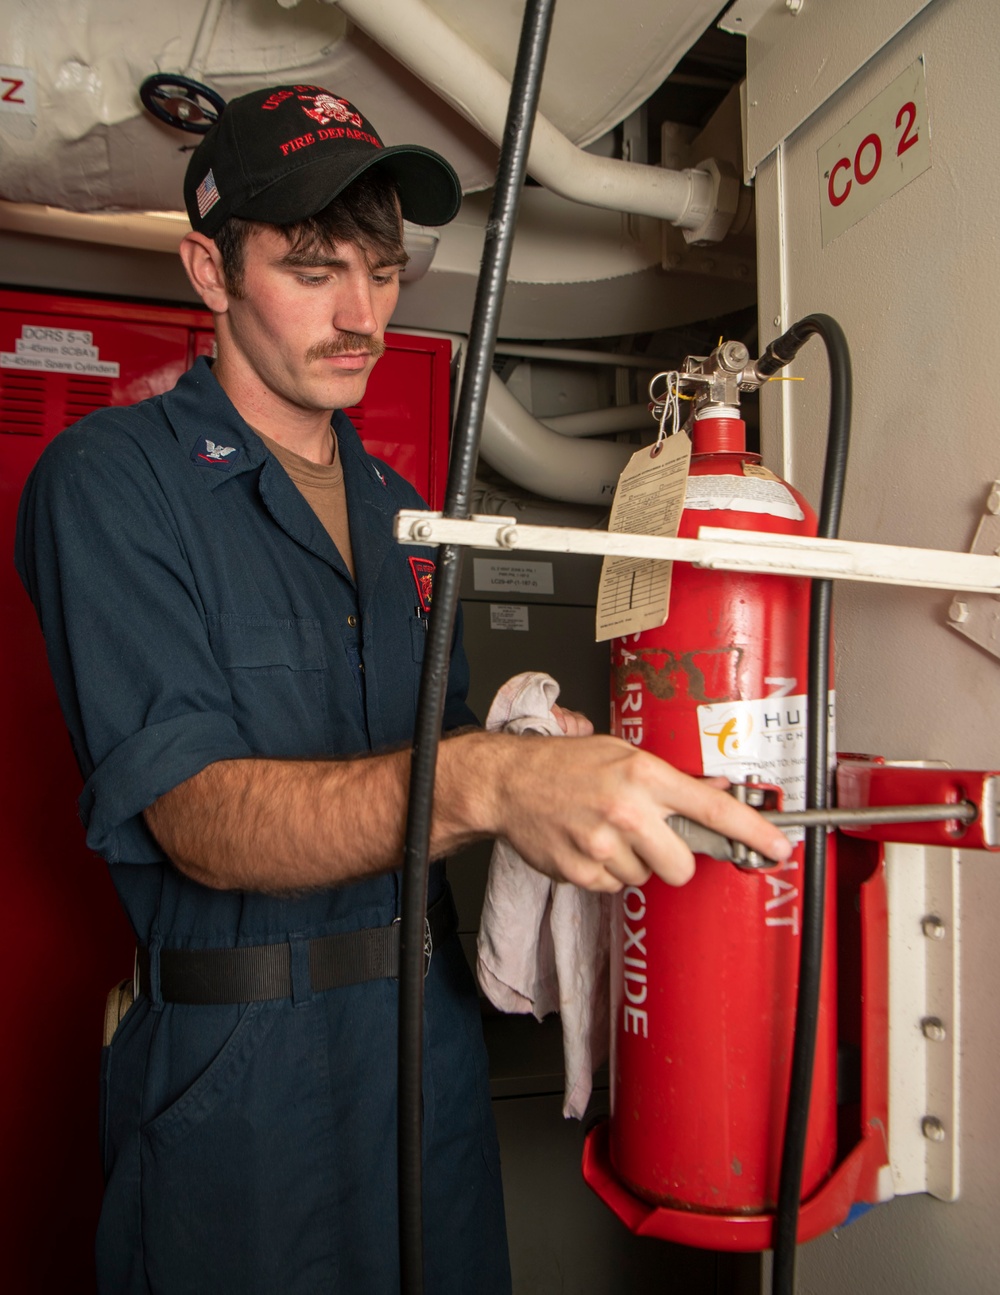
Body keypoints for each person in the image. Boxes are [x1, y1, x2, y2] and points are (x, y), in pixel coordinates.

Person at [14, 84, 791, 1294]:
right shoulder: (111, 483)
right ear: (208, 272)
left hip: (422, 1051)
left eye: (382, 270)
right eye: (314, 267)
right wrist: (488, 777)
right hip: (237, 1074)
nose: (361, 312)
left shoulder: (403, 511)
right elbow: (199, 818)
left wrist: (520, 738)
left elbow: (431, 752)